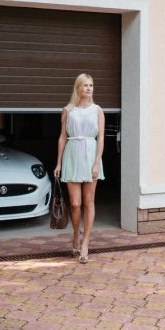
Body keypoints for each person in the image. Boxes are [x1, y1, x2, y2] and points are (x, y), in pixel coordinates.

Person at [53, 73, 105, 264]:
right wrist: (58, 162)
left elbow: (101, 138)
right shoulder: (68, 110)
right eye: (85, 85)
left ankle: (85, 243)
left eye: (91, 85)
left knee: (89, 202)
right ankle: (76, 233)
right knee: (75, 203)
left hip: (90, 156)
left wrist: (97, 162)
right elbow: (62, 137)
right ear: (78, 88)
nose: (89, 88)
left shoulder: (98, 110)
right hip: (72, 156)